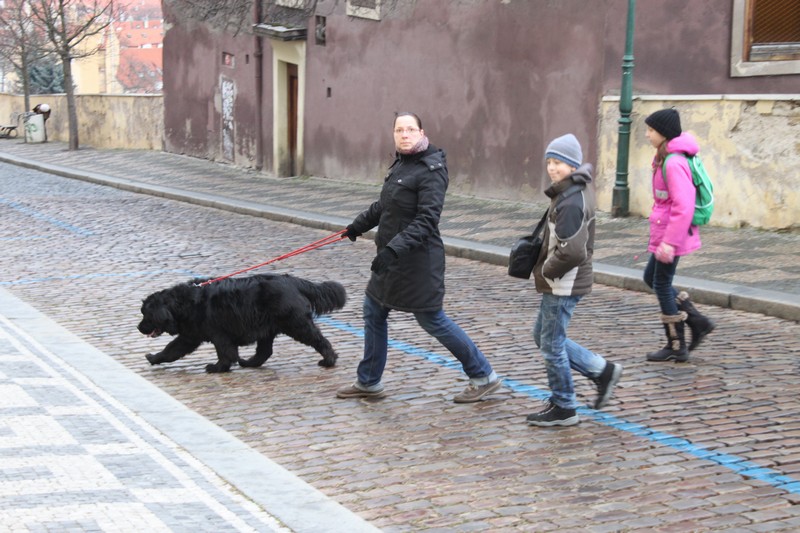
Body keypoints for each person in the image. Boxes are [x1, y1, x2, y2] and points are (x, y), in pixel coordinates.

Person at [336, 112, 502, 403]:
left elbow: (427, 220)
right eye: (399, 130)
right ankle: (369, 381)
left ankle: (483, 376)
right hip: (391, 261)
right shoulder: (402, 163)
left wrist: (392, 250)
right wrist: (357, 226)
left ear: (421, 132)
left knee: (432, 320)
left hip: (418, 263)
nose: (404, 134)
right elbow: (385, 205)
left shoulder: (431, 170)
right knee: (373, 311)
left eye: (410, 129)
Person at [526, 134, 623, 427]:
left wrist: (547, 270)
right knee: (542, 336)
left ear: (572, 165)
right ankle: (601, 370)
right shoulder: (569, 192)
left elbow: (573, 251)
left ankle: (564, 405)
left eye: (558, 163)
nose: (552, 168)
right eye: (550, 162)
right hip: (563, 281)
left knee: (551, 344)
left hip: (564, 282)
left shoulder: (571, 200)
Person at [642, 108, 715, 363]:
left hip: (672, 237)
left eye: (651, 130)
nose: (647, 134)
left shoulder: (673, 162)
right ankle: (697, 321)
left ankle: (676, 344)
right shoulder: (665, 158)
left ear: (663, 133)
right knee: (650, 277)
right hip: (667, 233)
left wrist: (668, 243)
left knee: (660, 283)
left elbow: (683, 206)